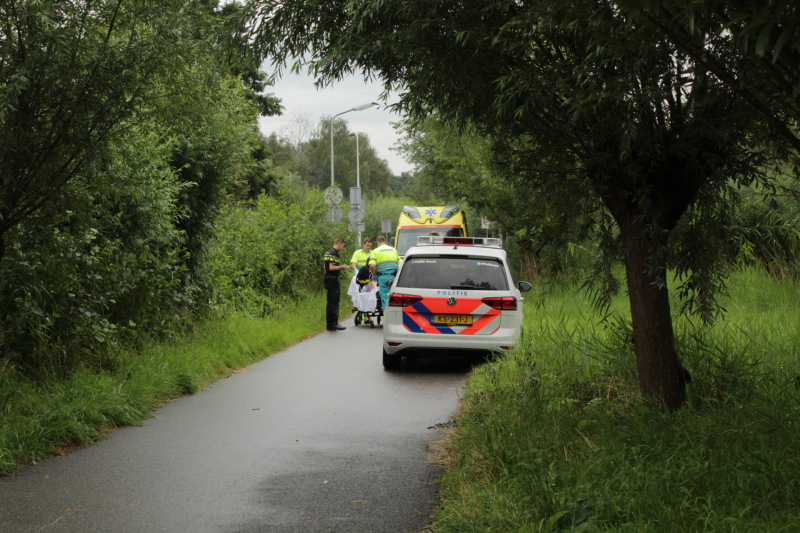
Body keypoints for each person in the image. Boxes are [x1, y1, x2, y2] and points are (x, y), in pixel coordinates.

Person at [324, 237, 350, 331]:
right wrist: (342, 267)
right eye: (342, 246)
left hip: (328, 279)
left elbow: (325, 267)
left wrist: (327, 275)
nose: (342, 248)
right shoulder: (334, 253)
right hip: (333, 280)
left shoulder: (328, 252)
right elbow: (331, 267)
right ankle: (334, 323)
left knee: (330, 302)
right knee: (334, 302)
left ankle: (329, 324)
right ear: (339, 244)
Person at [371, 235, 400, 309]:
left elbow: (372, 266)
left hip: (383, 277)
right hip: (394, 277)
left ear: (378, 242)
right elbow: (399, 264)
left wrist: (374, 275)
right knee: (395, 296)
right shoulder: (393, 250)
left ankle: (388, 315)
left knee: (385, 297)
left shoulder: (375, 251)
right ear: (385, 242)